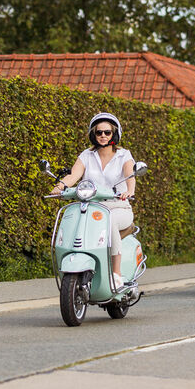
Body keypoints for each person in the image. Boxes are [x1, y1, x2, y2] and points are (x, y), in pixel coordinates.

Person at [50, 113, 136, 289]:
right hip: (90, 206)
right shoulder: (87, 155)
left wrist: (129, 191)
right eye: (99, 133)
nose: (103, 136)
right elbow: (74, 175)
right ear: (93, 135)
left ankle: (116, 273)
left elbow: (130, 174)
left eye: (107, 132)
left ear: (115, 134)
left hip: (118, 206)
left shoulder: (123, 155)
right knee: (72, 219)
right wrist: (59, 187)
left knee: (108, 221)